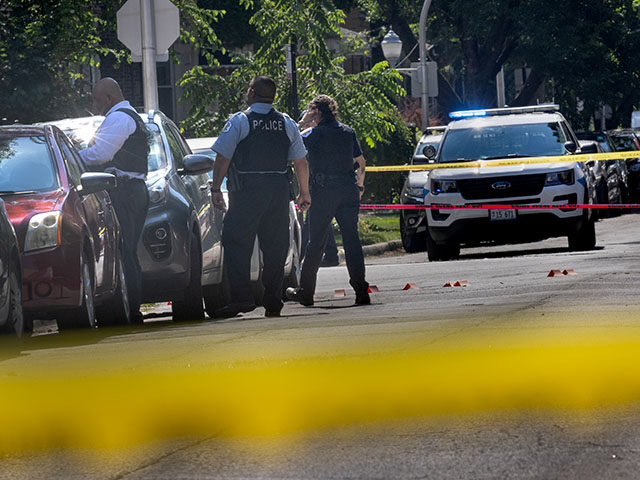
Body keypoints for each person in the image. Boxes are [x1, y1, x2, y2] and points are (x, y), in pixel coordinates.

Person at [209, 75, 310, 318]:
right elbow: (300, 161)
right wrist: (304, 192)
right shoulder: (286, 122)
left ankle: (242, 298)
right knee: (275, 247)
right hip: (277, 191)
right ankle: (273, 301)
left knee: (236, 243)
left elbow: (223, 158)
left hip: (247, 191)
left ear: (252, 93)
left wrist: (215, 189)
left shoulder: (240, 121)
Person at [286, 94, 370, 306]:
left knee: (316, 243)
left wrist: (301, 123)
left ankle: (306, 292)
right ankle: (361, 290)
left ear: (317, 112)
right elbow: (361, 162)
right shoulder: (348, 131)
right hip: (348, 189)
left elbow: (292, 142)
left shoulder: (313, 133)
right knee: (352, 240)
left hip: (323, 192)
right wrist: (359, 185)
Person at [78, 77, 150, 323]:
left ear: (109, 98)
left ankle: (131, 312)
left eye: (97, 99)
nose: (95, 105)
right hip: (132, 190)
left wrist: (71, 158)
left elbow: (100, 154)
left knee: (125, 251)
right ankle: (130, 308)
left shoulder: (119, 118)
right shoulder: (127, 116)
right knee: (126, 250)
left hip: (125, 191)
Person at [297, 110, 339, 267]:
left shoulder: (316, 136)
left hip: (321, 185)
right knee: (321, 221)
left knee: (311, 223)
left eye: (309, 121)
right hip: (317, 185)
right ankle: (331, 254)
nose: (307, 125)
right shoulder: (314, 135)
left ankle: (299, 257)